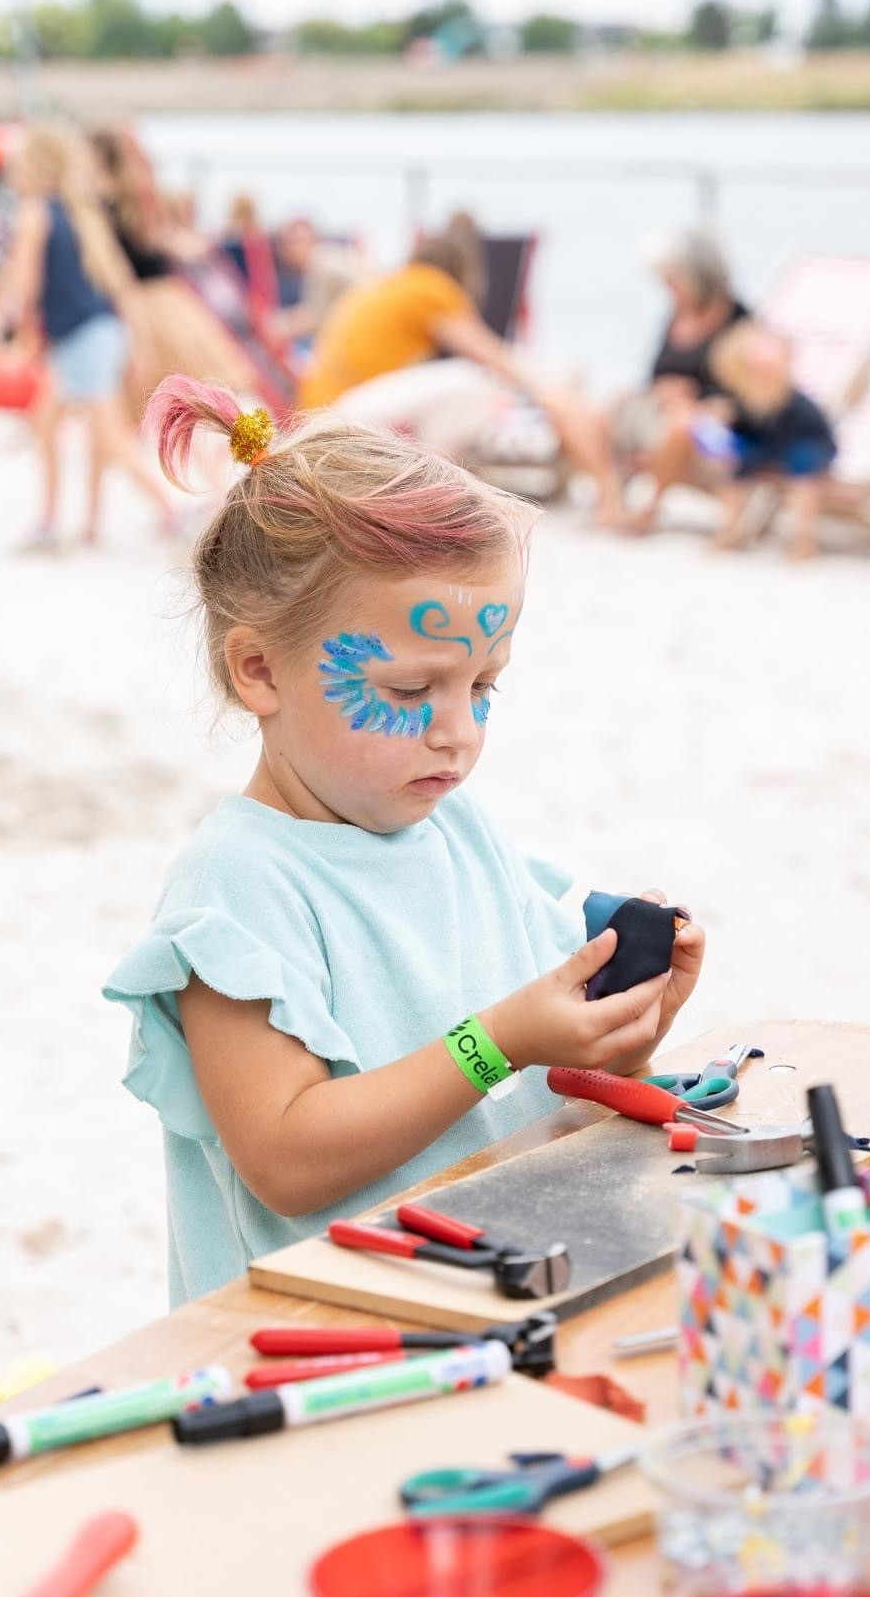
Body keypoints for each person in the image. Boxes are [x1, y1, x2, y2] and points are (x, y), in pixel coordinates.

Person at [103, 393, 704, 1301]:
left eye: (483, 684)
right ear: (259, 669)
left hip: (498, 1292)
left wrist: (620, 1033)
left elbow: (553, 1086)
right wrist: (494, 1043)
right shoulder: (239, 886)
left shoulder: (457, 831)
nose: (457, 732)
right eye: (413, 685)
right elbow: (286, 1158)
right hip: (327, 1331)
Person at [299, 212, 623, 520]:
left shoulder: (388, 285)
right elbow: (489, 355)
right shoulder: (432, 287)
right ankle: (433, 490)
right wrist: (546, 390)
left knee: (474, 383)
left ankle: (433, 487)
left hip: (320, 412)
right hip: (346, 415)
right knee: (470, 381)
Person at [1, 124, 179, 550]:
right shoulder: (81, 211)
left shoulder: (36, 211)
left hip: (81, 338)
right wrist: (138, 343)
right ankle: (86, 525)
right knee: (52, 426)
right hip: (102, 332)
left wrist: (12, 326)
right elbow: (120, 285)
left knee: (109, 438)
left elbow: (25, 285)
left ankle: (174, 512)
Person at [89, 127, 257, 416]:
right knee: (189, 377)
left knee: (159, 378)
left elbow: (126, 257)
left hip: (145, 298)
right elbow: (159, 241)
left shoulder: (106, 201)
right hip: (161, 294)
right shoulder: (132, 196)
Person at [616, 227, 749, 533]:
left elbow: (741, 391)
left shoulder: (738, 321)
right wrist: (664, 389)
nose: (667, 287)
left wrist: (693, 397)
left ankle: (649, 509)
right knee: (614, 403)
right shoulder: (677, 314)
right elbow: (656, 369)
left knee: (680, 422)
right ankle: (613, 502)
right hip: (659, 407)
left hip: (703, 420)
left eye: (673, 280)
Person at [692, 322, 837, 560]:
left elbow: (810, 431)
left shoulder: (791, 399)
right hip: (768, 445)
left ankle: (803, 538)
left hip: (805, 443)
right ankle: (730, 527)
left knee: (804, 471)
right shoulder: (741, 395)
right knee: (732, 464)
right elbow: (738, 424)